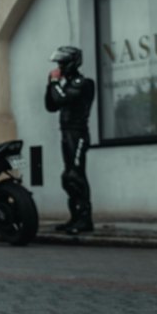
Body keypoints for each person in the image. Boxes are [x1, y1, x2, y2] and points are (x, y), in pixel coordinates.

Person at [45, 45, 95, 235]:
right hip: (66, 134)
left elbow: (62, 99)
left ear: (72, 63)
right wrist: (49, 83)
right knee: (68, 177)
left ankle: (85, 220)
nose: (59, 66)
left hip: (78, 134)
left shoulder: (82, 82)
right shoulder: (65, 84)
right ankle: (75, 217)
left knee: (76, 176)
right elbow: (51, 105)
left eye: (62, 63)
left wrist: (55, 82)